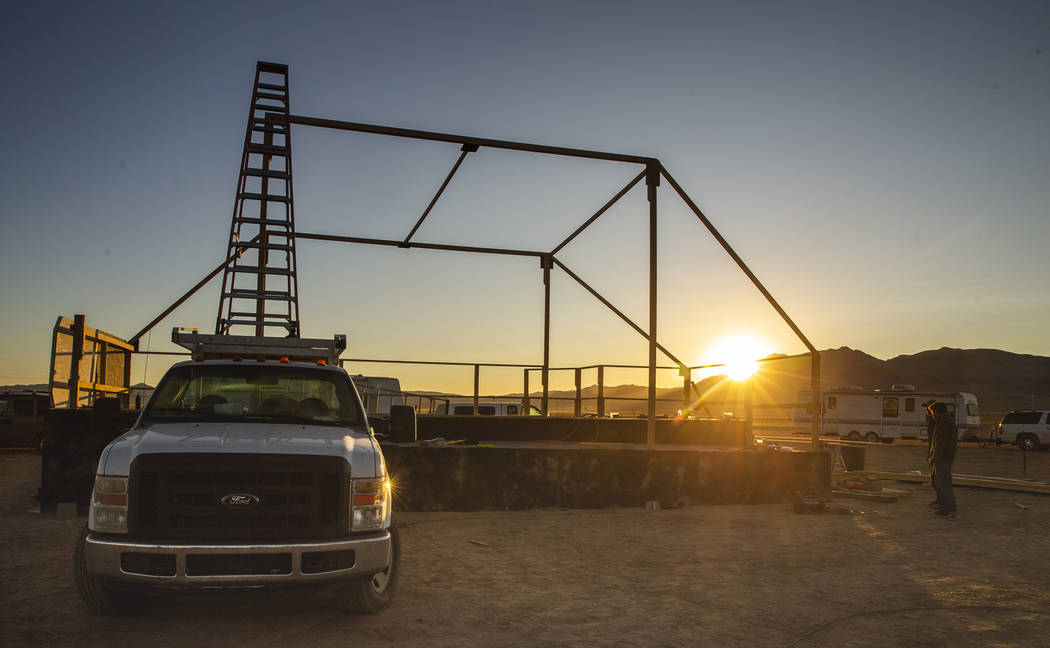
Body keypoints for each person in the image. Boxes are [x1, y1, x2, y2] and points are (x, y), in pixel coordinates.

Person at [927, 401, 958, 520]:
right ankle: (946, 507)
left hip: (942, 457)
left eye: (932, 413)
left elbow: (940, 443)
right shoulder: (945, 422)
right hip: (945, 456)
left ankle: (948, 509)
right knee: (943, 482)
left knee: (943, 483)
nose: (932, 415)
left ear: (937, 412)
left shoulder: (944, 424)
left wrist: (934, 457)